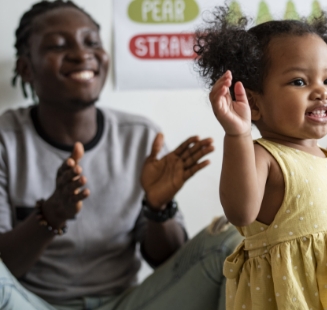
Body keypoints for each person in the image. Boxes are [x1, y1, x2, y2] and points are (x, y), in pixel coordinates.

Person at [0, 1, 242, 309]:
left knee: (231, 241)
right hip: (31, 303)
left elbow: (170, 264)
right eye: (59, 46)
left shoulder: (139, 136)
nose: (81, 54)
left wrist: (158, 207)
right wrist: (50, 214)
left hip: (127, 303)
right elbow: (6, 266)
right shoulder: (6, 140)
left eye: (92, 43)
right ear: (26, 68)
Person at [194, 6, 327, 310]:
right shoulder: (264, 155)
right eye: (300, 82)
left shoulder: (316, 153)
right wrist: (238, 135)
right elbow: (241, 211)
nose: (322, 92)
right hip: (289, 294)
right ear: (254, 103)